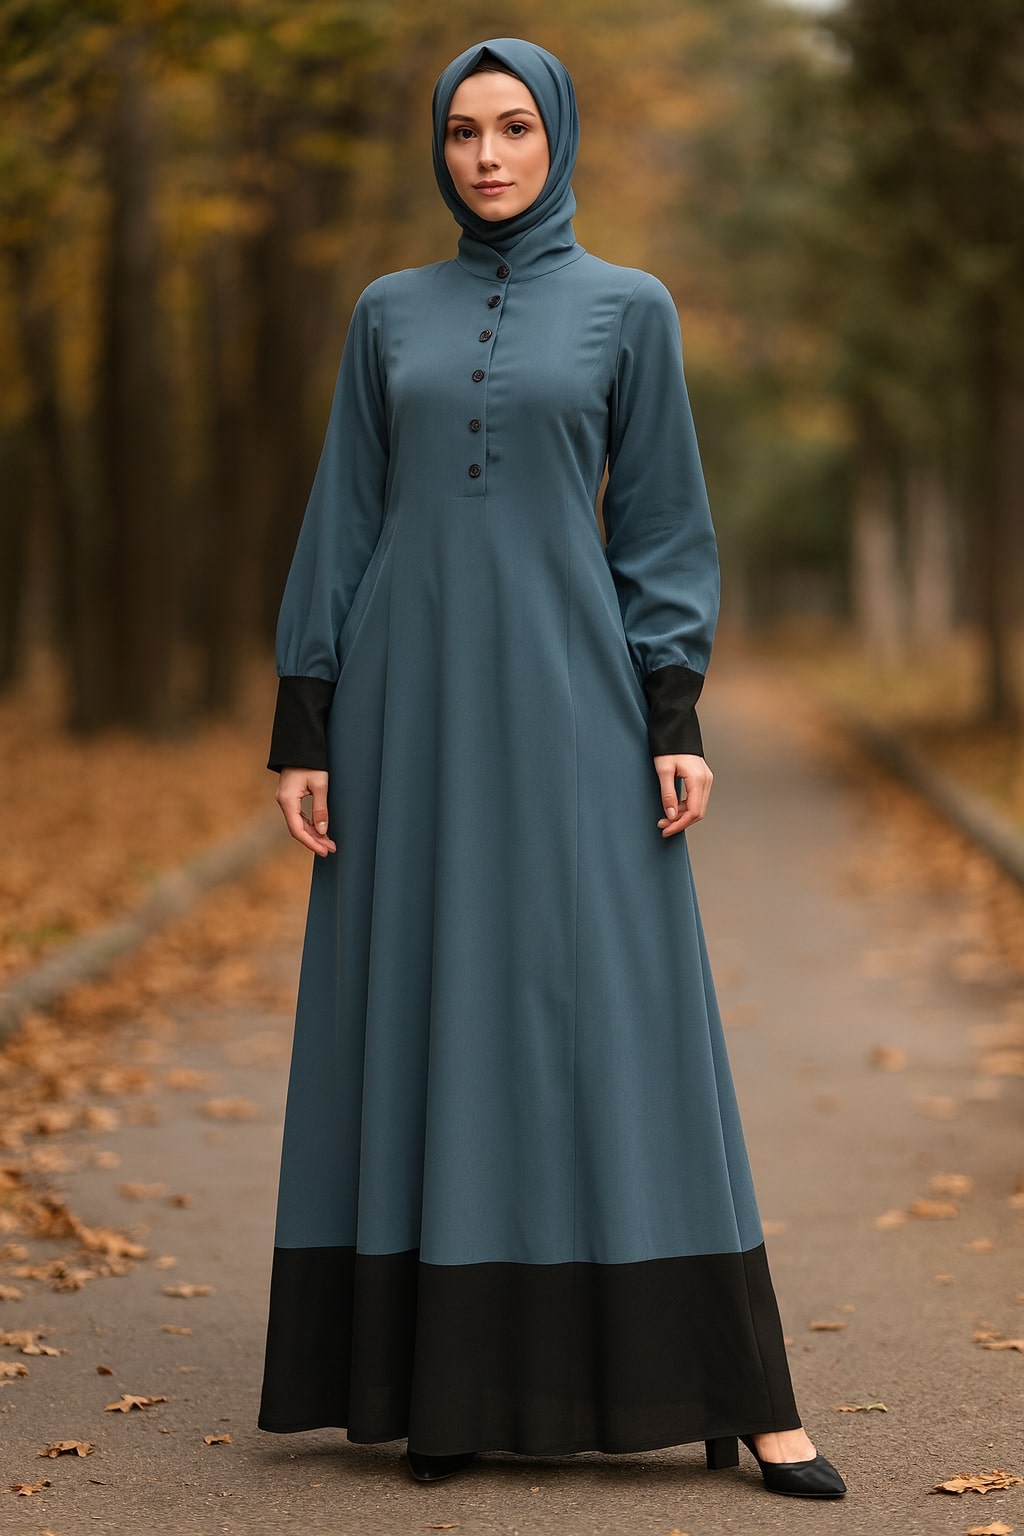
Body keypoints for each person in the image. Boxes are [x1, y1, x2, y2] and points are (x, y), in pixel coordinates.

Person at [257, 36, 846, 1502]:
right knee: (432, 1000)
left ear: (556, 136)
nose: (489, 156)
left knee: (625, 1011)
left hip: (575, 695)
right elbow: (345, 513)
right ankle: (442, 1385)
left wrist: (676, 708)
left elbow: (660, 522)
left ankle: (749, 1397)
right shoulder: (386, 312)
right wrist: (305, 719)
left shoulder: (628, 310)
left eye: (515, 128)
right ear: (439, 151)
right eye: (463, 133)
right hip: (407, 701)